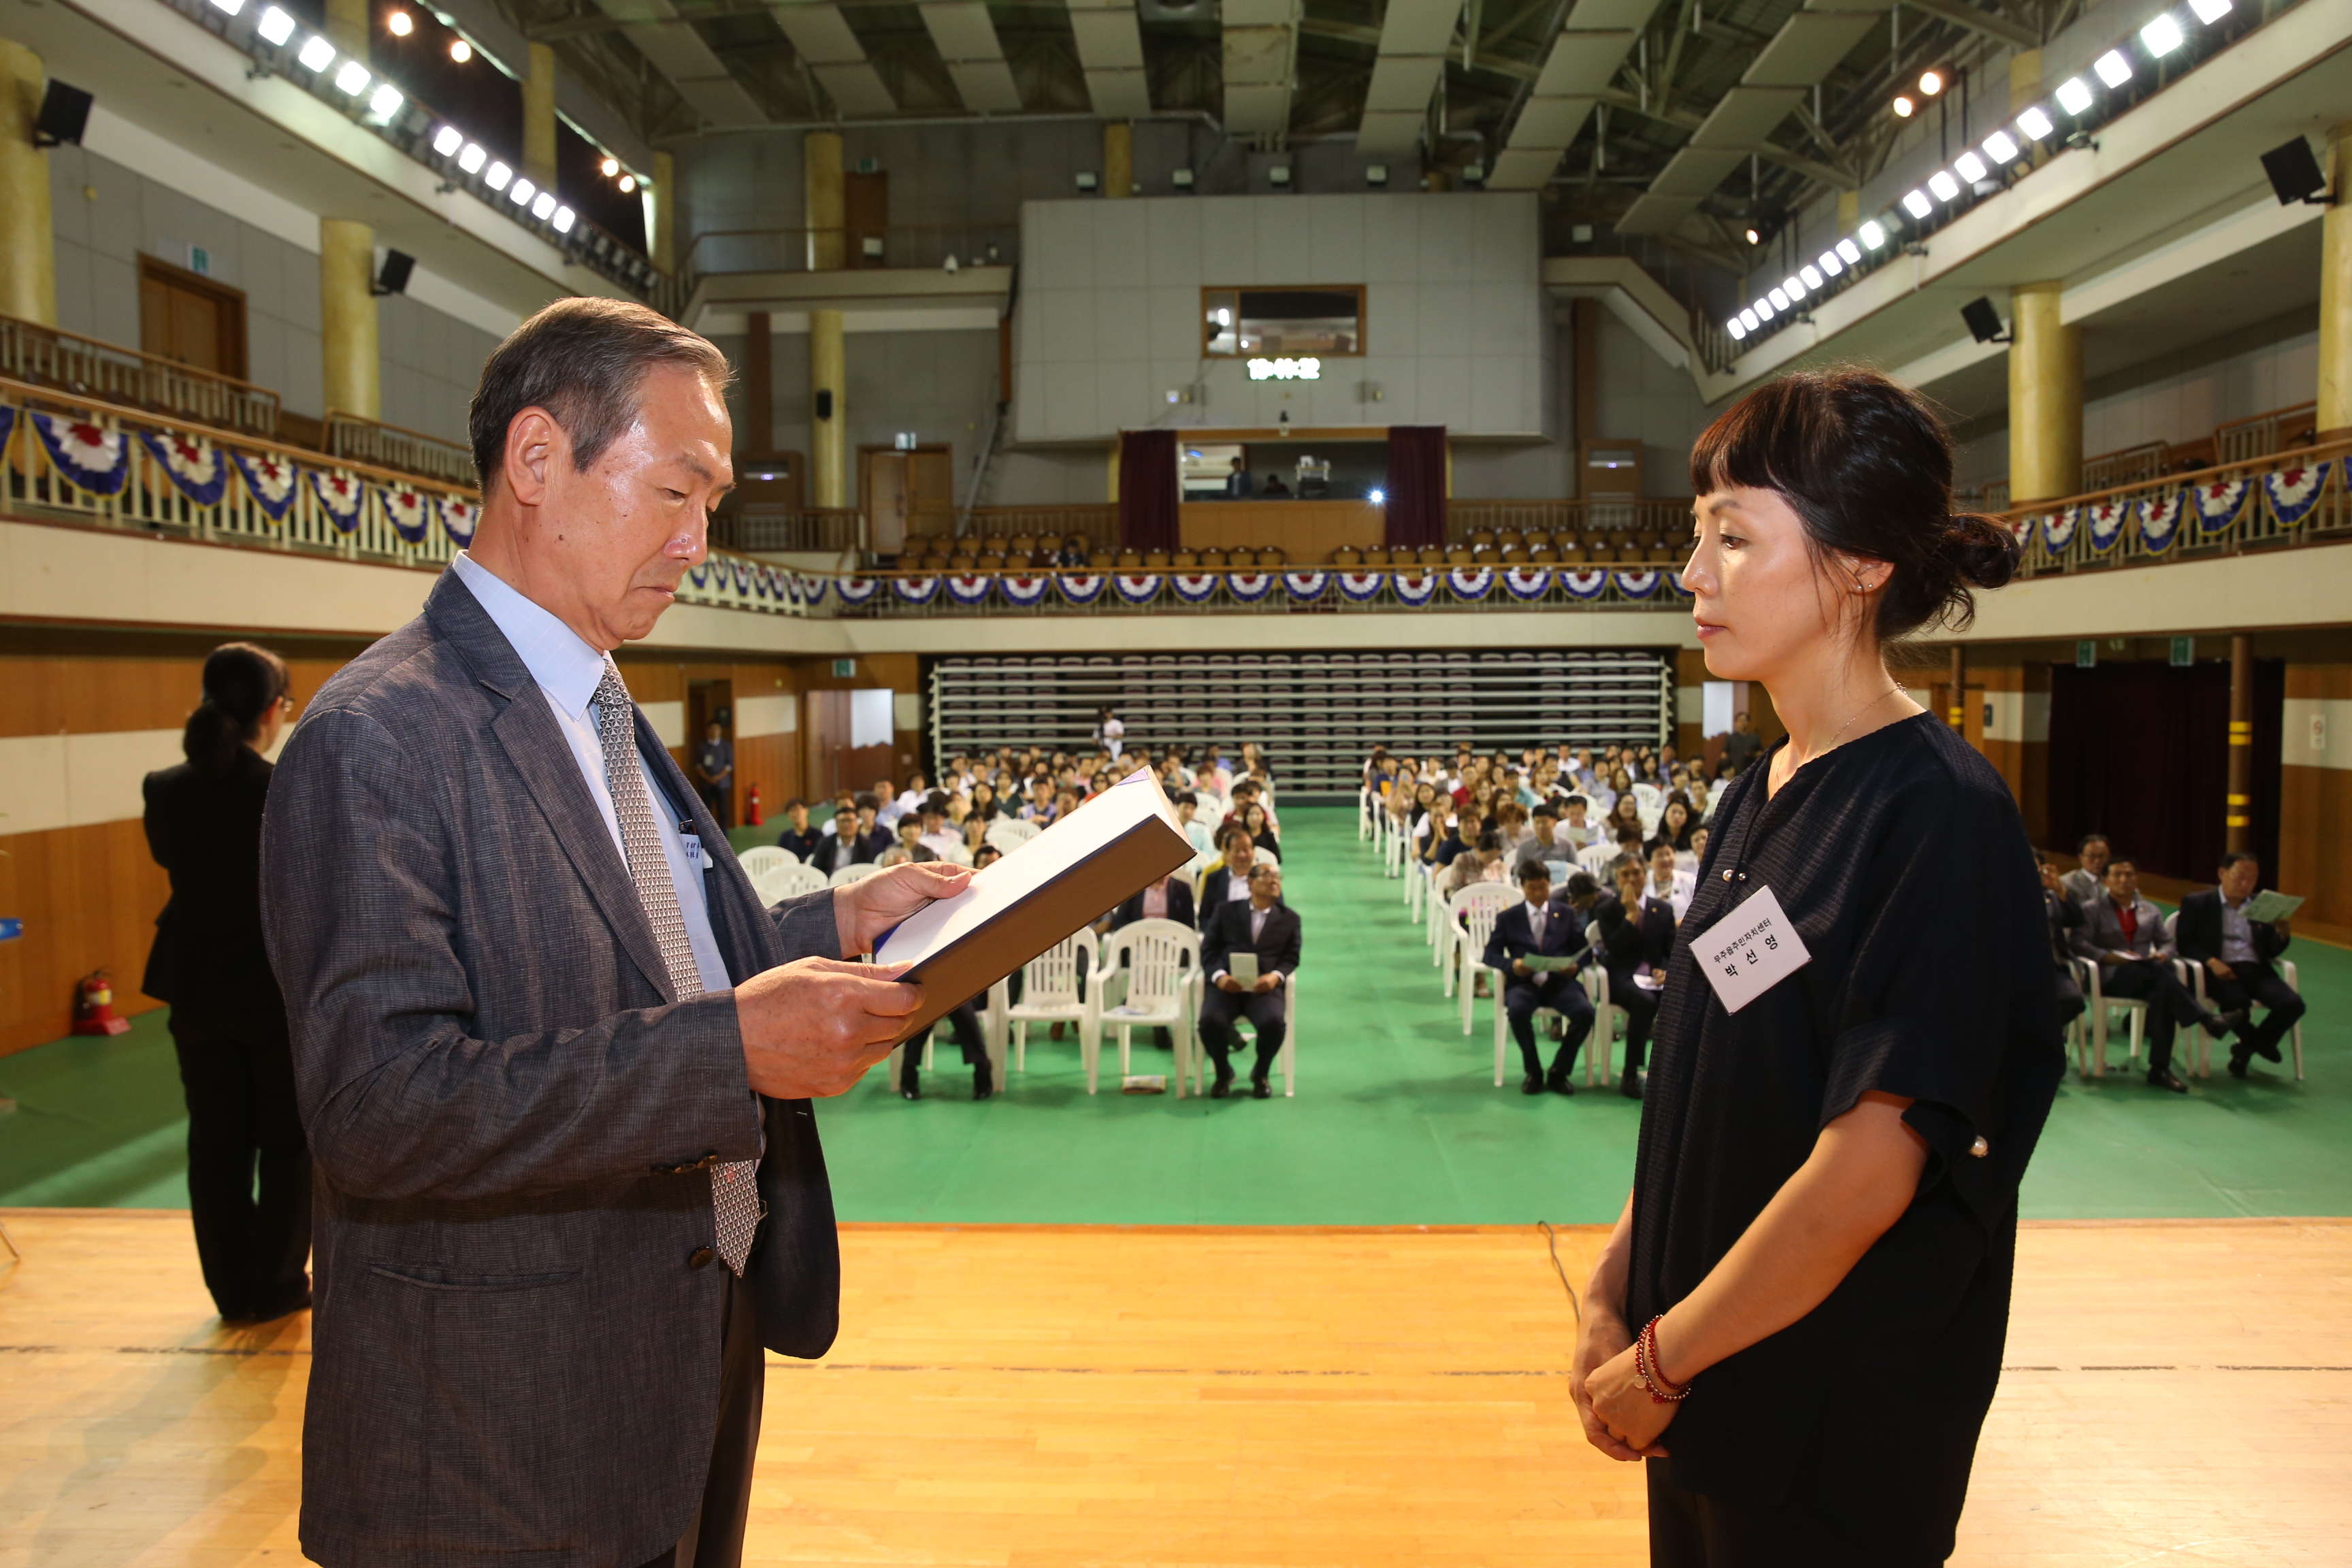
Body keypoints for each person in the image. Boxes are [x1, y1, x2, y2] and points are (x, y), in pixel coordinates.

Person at [259, 298, 975, 1568]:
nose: (699, 539)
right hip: (502, 1432)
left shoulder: (591, 691)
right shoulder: (377, 736)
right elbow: (378, 1105)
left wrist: (831, 920)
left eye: (712, 503)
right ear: (538, 461)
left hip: (679, 1352)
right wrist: (729, 1053)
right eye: (675, 491)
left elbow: (640, 942)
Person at [1571, 367, 2066, 1567]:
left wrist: (1660, 1353)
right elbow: (1717, 1078)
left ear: (1860, 565)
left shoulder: (1935, 817)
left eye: (1733, 537)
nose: (1693, 575)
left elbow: (1866, 1172)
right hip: (1708, 1395)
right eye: (1699, 537)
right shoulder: (1761, 788)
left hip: (1827, 1428)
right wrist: (1616, 1285)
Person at [142, 641, 312, 1326]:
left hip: (196, 985)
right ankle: (273, 1285)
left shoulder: (164, 788)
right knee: (286, 1143)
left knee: (215, 1144)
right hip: (270, 989)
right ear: (272, 711)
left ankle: (230, 1290)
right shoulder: (280, 789)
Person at [2073, 855, 2236, 1092]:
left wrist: (2163, 954)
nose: (2124, 880)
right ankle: (2205, 1019)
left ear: (2137, 879)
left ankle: (2159, 1068)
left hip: (2147, 974)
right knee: (2160, 975)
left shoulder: (2149, 910)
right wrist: (2108, 956)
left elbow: (2169, 943)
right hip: (2110, 977)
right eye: (2117, 875)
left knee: (2163, 992)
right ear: (2106, 881)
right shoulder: (2091, 909)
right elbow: (2079, 943)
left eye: (2129, 875)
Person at [2172, 850, 2303, 1078]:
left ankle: (2247, 1048)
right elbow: (2185, 943)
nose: (2246, 883)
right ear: (2222, 873)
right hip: (2219, 971)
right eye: (2240, 876)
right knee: (2237, 1004)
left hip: (2256, 969)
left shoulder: (2261, 906)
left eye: (2252, 878)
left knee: (2293, 1004)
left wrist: (2282, 934)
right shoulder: (2198, 903)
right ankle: (2257, 1046)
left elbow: (2271, 950)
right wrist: (2212, 963)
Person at [1483, 863, 1595, 1096]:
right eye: (1532, 888)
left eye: (1543, 887)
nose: (1538, 893)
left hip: (1559, 982)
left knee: (1585, 1012)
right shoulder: (1509, 918)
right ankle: (1533, 1070)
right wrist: (1512, 965)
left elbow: (1585, 952)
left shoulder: (1565, 913)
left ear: (1549, 885)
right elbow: (1490, 954)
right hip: (1524, 983)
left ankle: (1560, 1070)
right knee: (1517, 1012)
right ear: (1522, 887)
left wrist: (1574, 966)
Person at [1198, 862, 1300, 1098]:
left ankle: (1261, 1073)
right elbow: (1209, 951)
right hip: (1228, 987)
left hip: (1263, 989)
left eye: (1277, 877)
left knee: (1274, 1023)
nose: (1274, 881)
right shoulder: (1226, 911)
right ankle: (1224, 1073)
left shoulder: (1290, 919)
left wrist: (1275, 978)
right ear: (1251, 883)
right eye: (1268, 876)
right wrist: (1220, 977)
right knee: (1209, 1023)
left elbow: (1291, 957)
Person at [1593, 858, 1674, 1100]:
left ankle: (1672, 1072)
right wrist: (1630, 914)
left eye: (1637, 873)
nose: (1631, 879)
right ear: (1617, 879)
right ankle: (1631, 1072)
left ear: (1645, 874)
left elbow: (1671, 950)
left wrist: (1664, 970)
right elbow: (1614, 948)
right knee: (1645, 1002)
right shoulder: (1607, 909)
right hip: (1621, 978)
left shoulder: (1663, 909)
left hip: (1653, 978)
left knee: (1682, 998)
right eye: (1625, 874)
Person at [2035, 853, 2087, 1032]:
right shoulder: (2001, 896)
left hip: (2052, 968)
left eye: (2036, 868)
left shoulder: (2051, 896)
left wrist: (2061, 891)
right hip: (2014, 969)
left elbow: (2076, 920)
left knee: (2073, 1000)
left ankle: (2035, 1040)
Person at [1196, 824, 1261, 927]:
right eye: (1236, 850)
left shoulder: (1265, 878)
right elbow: (1205, 917)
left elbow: (1277, 916)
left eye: (1246, 850)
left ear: (1254, 852)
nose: (1242, 855)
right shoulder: (1214, 879)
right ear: (1227, 853)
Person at [693, 719, 734, 827]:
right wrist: (707, 777)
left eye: (716, 729)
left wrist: (718, 777)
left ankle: (724, 834)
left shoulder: (726, 745)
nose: (714, 731)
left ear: (720, 731)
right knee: (706, 809)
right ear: (708, 730)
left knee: (722, 809)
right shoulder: (702, 746)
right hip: (706, 783)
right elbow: (698, 765)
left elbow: (729, 765)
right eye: (712, 729)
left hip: (722, 783)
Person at [2061, 834, 2110, 906]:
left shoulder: (2115, 880)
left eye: (2102, 856)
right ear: (2081, 858)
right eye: (2092, 856)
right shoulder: (2068, 883)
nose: (2097, 861)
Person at [774, 798, 823, 862]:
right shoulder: (785, 837)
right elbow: (779, 856)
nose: (795, 814)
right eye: (792, 811)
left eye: (798, 810)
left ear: (806, 811)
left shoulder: (818, 835)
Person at [1717, 710, 1762, 778]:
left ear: (1748, 722)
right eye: (1740, 720)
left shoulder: (1754, 737)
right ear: (1736, 723)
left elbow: (1761, 753)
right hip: (1734, 772)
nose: (1742, 723)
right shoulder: (1731, 738)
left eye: (1745, 720)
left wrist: (1753, 754)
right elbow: (1724, 754)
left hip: (1751, 771)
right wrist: (1728, 768)